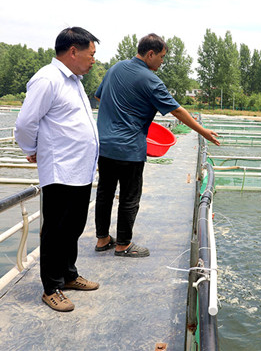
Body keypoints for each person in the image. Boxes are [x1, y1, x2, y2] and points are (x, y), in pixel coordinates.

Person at [93, 33, 220, 257]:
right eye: (161, 57)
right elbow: (177, 111)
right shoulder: (150, 79)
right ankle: (123, 244)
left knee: (105, 192)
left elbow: (100, 98)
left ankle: (102, 239)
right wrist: (203, 132)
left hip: (104, 145)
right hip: (130, 147)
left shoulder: (115, 69)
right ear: (150, 54)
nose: (162, 62)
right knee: (130, 196)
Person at [14, 27, 101, 312]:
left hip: (80, 169)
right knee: (56, 229)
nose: (93, 60)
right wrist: (31, 150)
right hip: (61, 169)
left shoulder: (74, 81)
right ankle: (51, 287)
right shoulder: (47, 79)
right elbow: (26, 123)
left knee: (74, 226)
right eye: (91, 54)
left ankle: (69, 275)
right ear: (73, 51)